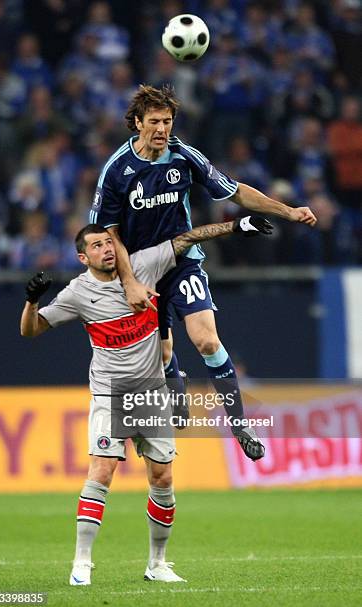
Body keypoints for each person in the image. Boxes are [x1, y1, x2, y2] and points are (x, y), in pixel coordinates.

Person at [20, 215, 273, 586]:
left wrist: (237, 226)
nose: (106, 249)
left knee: (162, 476)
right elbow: (31, 330)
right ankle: (82, 563)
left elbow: (186, 239)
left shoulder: (143, 266)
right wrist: (31, 300)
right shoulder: (78, 292)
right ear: (82, 258)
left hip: (152, 393)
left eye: (108, 243)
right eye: (96, 246)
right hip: (111, 393)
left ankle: (157, 564)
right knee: (103, 470)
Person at [89, 84, 317, 459]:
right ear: (136, 123)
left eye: (167, 121)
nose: (162, 129)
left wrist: (288, 211)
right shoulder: (117, 170)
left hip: (183, 262)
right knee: (161, 355)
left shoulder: (183, 156)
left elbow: (235, 191)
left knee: (207, 340)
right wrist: (127, 281)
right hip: (142, 270)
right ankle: (175, 388)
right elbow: (106, 231)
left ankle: (239, 423)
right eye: (154, 122)